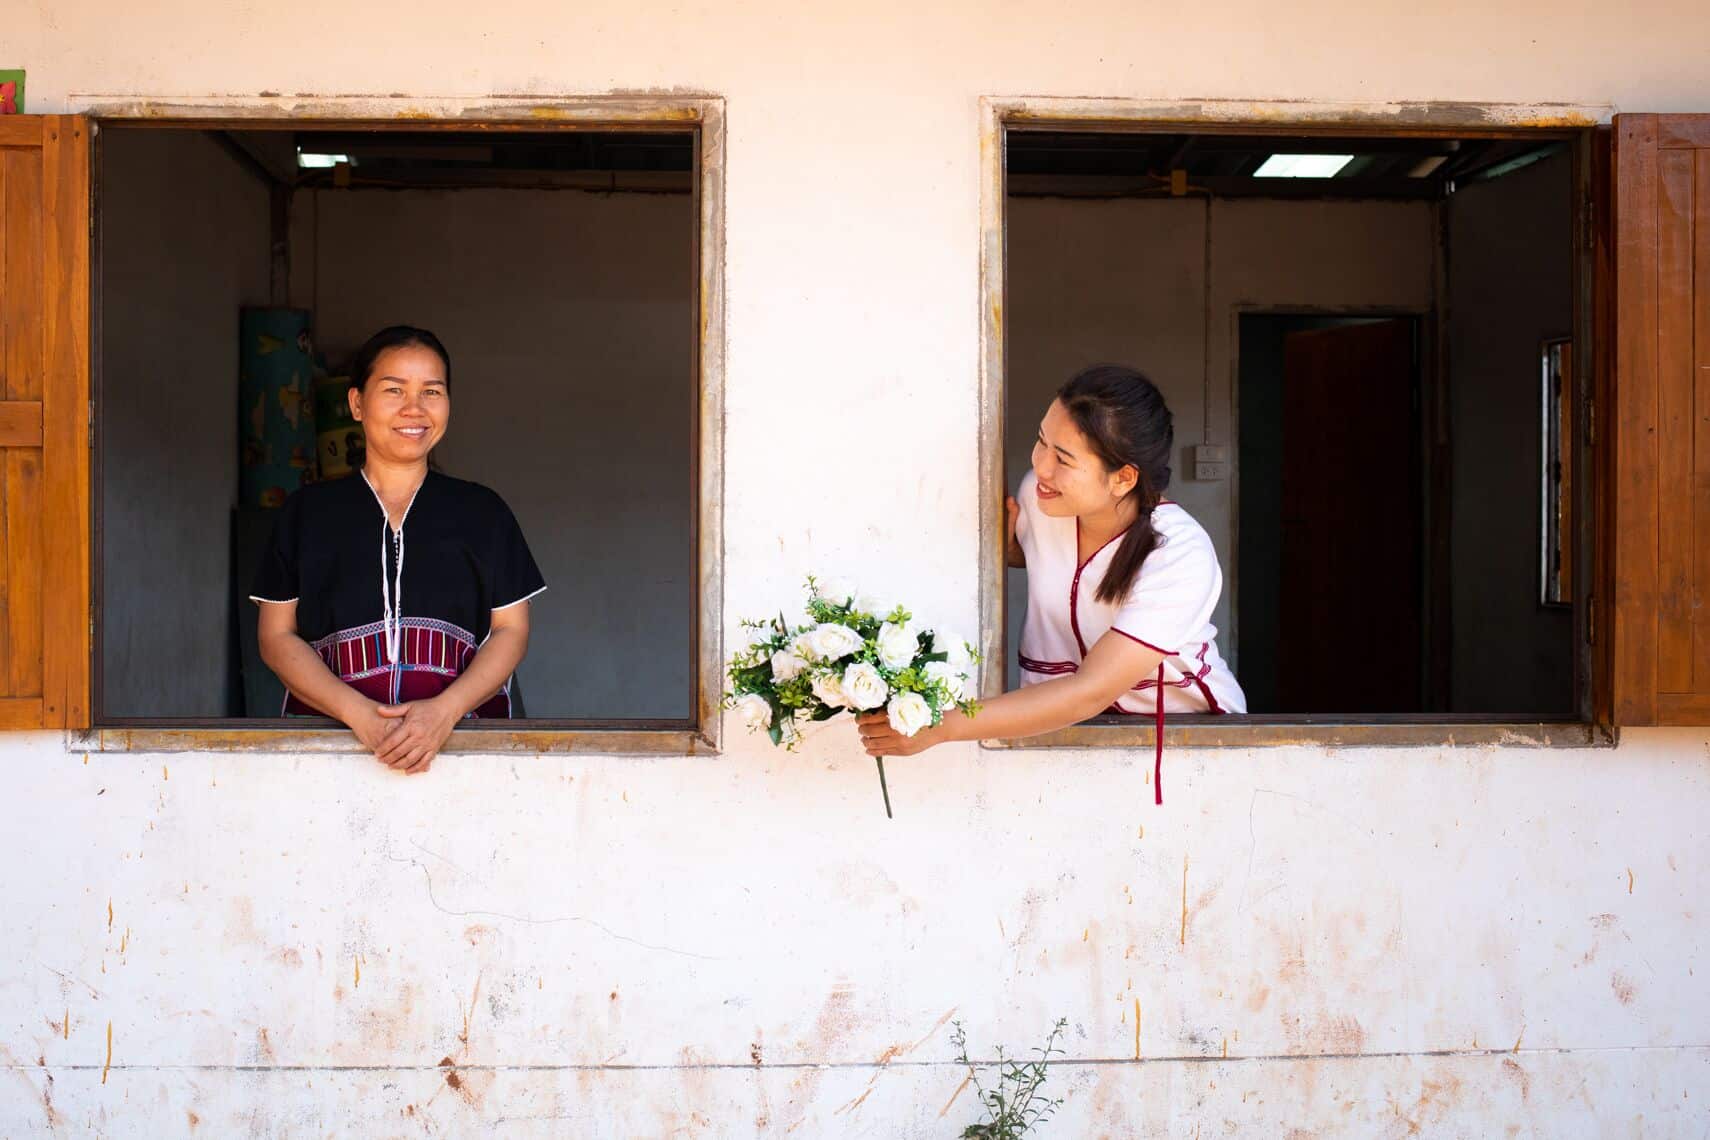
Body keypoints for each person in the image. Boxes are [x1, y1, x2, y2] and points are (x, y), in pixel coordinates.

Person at [857, 364, 1244, 801]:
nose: (1040, 466)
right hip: (1064, 737)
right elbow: (1064, 571)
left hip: (1184, 746)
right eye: (1042, 441)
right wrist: (1003, 550)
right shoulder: (1040, 500)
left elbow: (1089, 691)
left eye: (1063, 458)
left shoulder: (1179, 553)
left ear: (1124, 478)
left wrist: (939, 726)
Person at [251, 326, 546, 774]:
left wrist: (443, 713)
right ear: (356, 403)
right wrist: (359, 716)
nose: (415, 408)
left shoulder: (483, 513)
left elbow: (511, 631)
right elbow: (275, 637)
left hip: (462, 754)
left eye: (432, 390)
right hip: (326, 758)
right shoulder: (307, 514)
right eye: (394, 390)